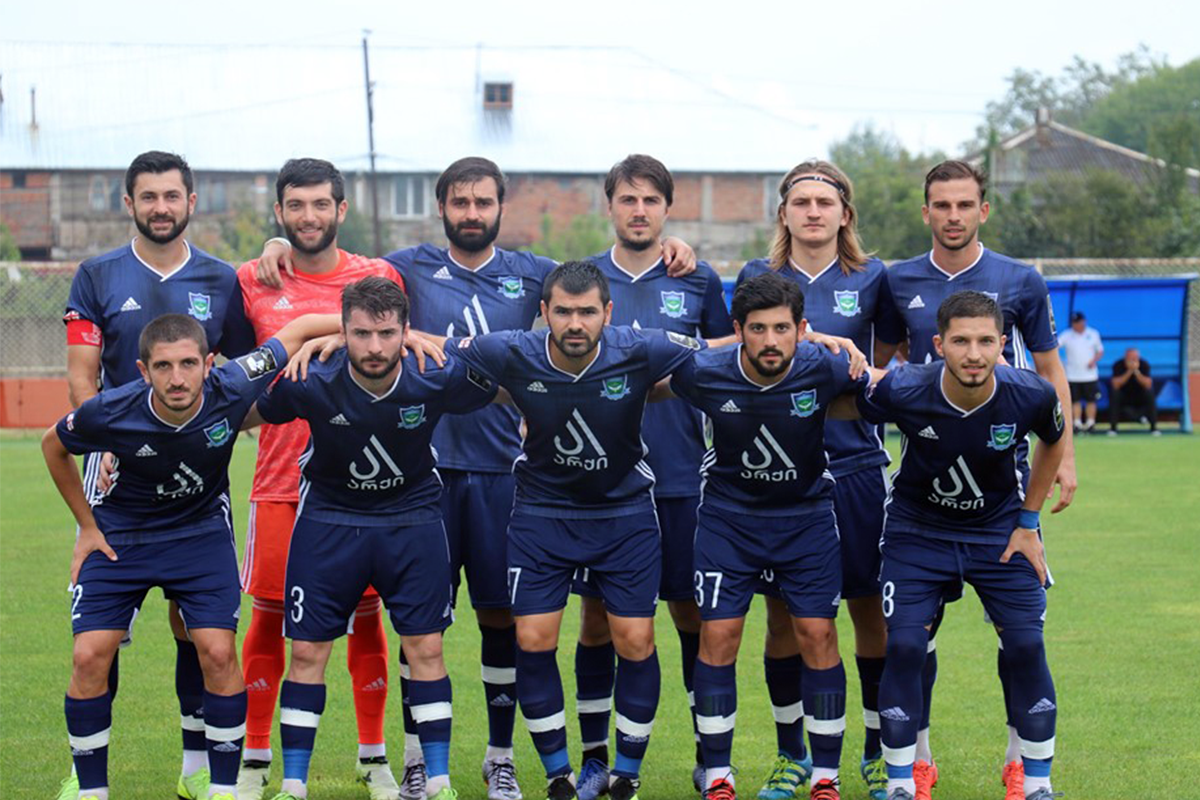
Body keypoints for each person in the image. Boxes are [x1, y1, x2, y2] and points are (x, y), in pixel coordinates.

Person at [255, 156, 699, 800]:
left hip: (503, 478)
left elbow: (604, 286)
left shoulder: (535, 274)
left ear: (500, 207)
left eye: (482, 202)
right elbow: (345, 290)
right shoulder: (401, 267)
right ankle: (415, 759)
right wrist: (281, 249)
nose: (471, 212)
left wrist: (670, 246)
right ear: (441, 209)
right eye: (459, 202)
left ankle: (499, 758)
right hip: (426, 477)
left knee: (504, 623)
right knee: (421, 630)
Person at [442, 261, 745, 800]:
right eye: (563, 312)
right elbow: (429, 348)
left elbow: (723, 354)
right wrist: (325, 337)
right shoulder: (511, 350)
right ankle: (559, 777)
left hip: (624, 517)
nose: (575, 323)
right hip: (540, 515)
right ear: (544, 314)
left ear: (608, 313)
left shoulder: (640, 347)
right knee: (533, 639)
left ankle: (625, 775)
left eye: (586, 312)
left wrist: (811, 342)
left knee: (635, 639)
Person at [44, 310, 341, 800]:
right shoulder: (111, 410)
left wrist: (356, 329)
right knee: (88, 654)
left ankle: (222, 789)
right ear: (143, 372)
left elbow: (299, 328)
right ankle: (90, 789)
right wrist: (87, 524)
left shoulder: (233, 383)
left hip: (199, 533)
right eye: (163, 367)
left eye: (188, 364)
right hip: (123, 535)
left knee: (219, 651)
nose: (177, 378)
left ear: (209, 363)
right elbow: (53, 445)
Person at [246, 277, 499, 800]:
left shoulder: (435, 373)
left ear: (406, 332)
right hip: (329, 523)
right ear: (343, 332)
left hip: (413, 522)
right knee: (309, 653)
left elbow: (504, 377)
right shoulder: (310, 377)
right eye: (361, 334)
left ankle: (440, 783)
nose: (375, 347)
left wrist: (447, 346)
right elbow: (245, 412)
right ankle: (292, 786)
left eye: (387, 333)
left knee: (426, 648)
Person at [60, 150, 257, 800]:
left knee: (196, 626)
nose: (161, 207)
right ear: (129, 204)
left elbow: (238, 366)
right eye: (148, 197)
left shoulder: (223, 278)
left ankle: (198, 765)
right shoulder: (97, 273)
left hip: (196, 478)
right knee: (98, 638)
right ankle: (84, 772)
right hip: (117, 469)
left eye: (172, 195)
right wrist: (101, 436)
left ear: (192, 201)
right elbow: (82, 372)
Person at [879, 160, 1075, 800]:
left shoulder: (1020, 279)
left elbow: (1048, 372)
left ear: (982, 210)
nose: (954, 215)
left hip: (1004, 484)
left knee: (1021, 638)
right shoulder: (897, 279)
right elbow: (880, 373)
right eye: (942, 205)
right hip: (923, 490)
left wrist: (1062, 459)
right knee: (909, 640)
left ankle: (1025, 766)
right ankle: (918, 763)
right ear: (927, 210)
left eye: (966, 204)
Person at [234, 158, 412, 800]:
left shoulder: (379, 276)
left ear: (341, 210)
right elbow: (233, 371)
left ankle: (373, 757)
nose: (308, 217)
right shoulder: (251, 281)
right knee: (271, 616)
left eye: (320, 205)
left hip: (368, 486)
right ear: (279, 212)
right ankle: (255, 760)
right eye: (295, 206)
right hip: (282, 481)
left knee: (367, 618)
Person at [664, 273, 876, 800]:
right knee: (718, 638)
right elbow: (645, 369)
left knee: (818, 636)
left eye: (783, 328)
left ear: (802, 329)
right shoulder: (704, 372)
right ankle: (718, 776)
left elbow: (883, 389)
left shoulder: (824, 368)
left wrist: (849, 349)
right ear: (738, 330)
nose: (770, 340)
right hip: (727, 522)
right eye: (757, 329)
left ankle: (824, 776)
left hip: (805, 522)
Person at [855, 291, 1066, 800]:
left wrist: (1029, 521)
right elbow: (845, 401)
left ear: (1002, 345)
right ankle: (904, 781)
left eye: (986, 341)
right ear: (939, 345)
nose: (974, 353)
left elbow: (1054, 440)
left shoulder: (1031, 394)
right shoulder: (904, 388)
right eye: (961, 341)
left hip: (999, 533)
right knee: (903, 646)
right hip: (916, 533)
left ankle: (1035, 783)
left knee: (1025, 644)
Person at [737, 160, 904, 800]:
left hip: (856, 466)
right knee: (787, 619)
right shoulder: (759, 277)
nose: (812, 211)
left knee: (869, 611)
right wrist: (820, 340)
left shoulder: (873, 278)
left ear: (844, 214)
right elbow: (740, 355)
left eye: (824, 202)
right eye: (800, 201)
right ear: (783, 212)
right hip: (778, 469)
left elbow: (884, 367)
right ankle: (791, 755)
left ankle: (871, 747)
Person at [573, 154, 734, 800]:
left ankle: (706, 755)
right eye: (627, 200)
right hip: (597, 486)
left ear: (668, 209)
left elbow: (732, 357)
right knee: (596, 623)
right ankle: (594, 761)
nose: (638, 211)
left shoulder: (698, 280)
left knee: (691, 615)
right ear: (608, 206)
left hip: (678, 477)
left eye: (650, 201)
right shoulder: (580, 281)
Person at [1057, 311, 1103, 433]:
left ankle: (1090, 422)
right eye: (1074, 323)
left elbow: (1100, 350)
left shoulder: (1093, 334)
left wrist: (1094, 361)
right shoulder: (1067, 335)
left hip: (1090, 374)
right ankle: (1076, 422)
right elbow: (1055, 346)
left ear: (1083, 322)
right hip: (1072, 374)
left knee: (1091, 400)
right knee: (1075, 400)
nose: (1076, 325)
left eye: (1078, 322)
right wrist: (1060, 362)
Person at [1108, 347, 1158, 435]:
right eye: (1130, 358)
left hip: (1140, 396)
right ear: (1125, 357)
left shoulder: (1144, 364)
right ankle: (1113, 429)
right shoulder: (1118, 364)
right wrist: (1129, 371)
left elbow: (1148, 384)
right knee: (1115, 394)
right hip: (1124, 396)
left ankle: (1154, 428)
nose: (1133, 360)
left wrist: (1136, 371)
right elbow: (1116, 385)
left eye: (1135, 358)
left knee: (1150, 393)